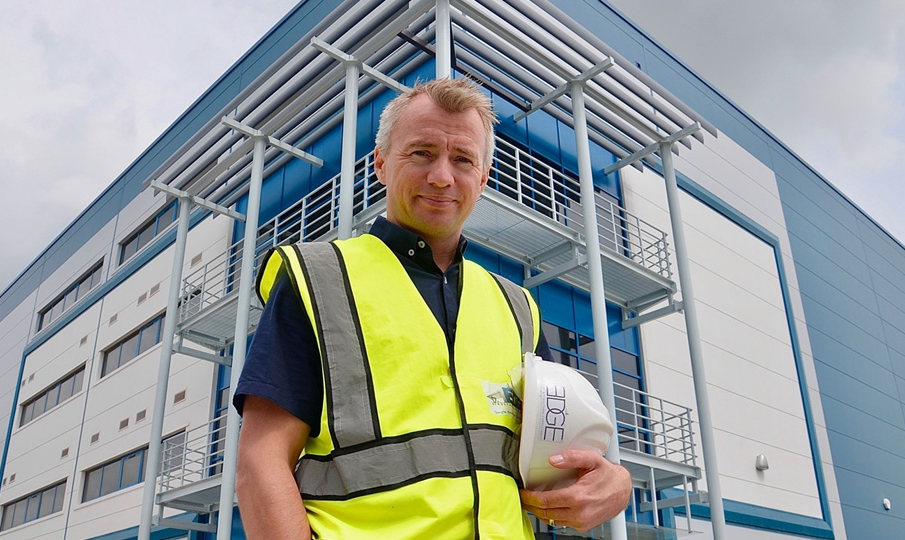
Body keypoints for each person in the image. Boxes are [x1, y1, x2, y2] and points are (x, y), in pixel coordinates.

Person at [233, 77, 632, 539]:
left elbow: (554, 453)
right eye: (421, 153)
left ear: (482, 178)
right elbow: (260, 465)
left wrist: (614, 482)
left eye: (463, 159)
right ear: (381, 164)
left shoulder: (516, 306)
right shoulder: (319, 279)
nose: (442, 176)